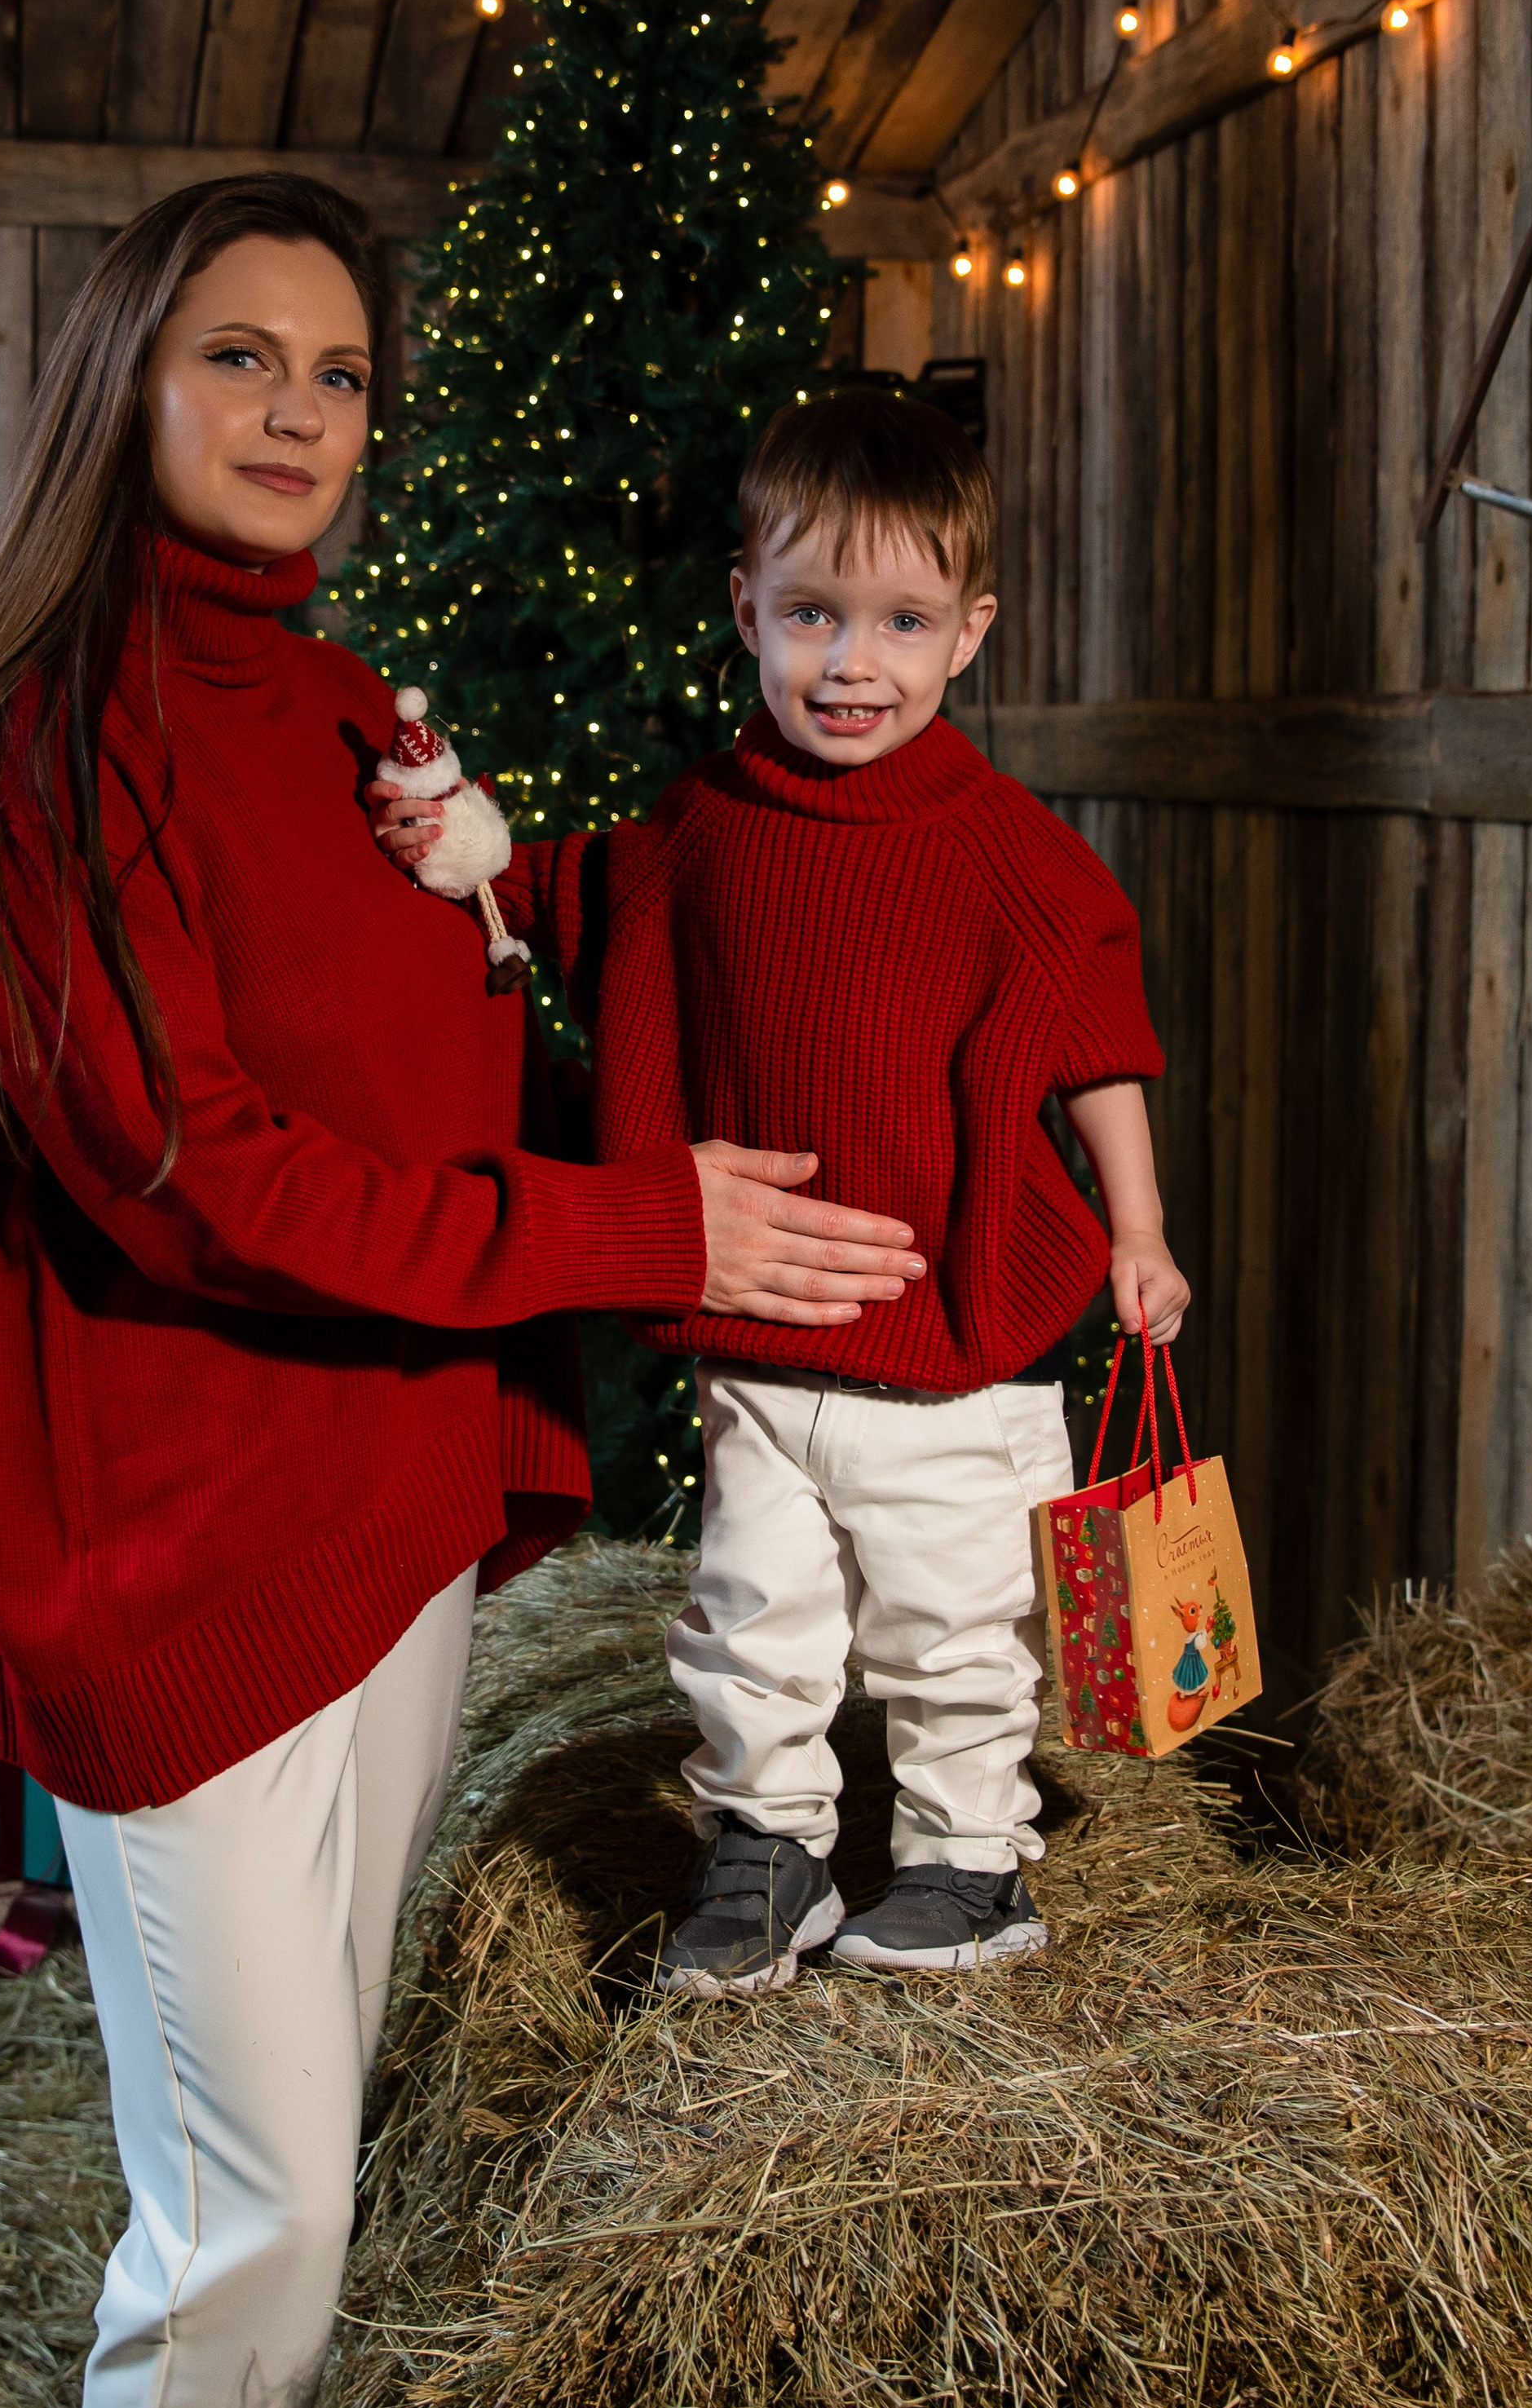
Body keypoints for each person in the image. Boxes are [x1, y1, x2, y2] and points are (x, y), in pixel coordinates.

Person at [0, 180, 924, 2408]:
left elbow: (437, 1062)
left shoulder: (350, 719)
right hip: (182, 1562)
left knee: (316, 2156)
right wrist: (648, 1224)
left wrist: (566, 899)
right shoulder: (51, 740)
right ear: (127, 371)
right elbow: (206, 1178)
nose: (300, 410)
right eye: (244, 355)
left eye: (339, 374)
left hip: (384, 1523)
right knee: (258, 2223)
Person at [372, 388, 1190, 1990]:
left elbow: (1096, 1036)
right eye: (811, 614)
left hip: (950, 1345)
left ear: (967, 634)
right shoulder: (703, 823)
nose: (849, 662)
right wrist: (472, 850)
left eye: (897, 622)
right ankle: (773, 1848)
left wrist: (1140, 1231)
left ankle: (966, 1866)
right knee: (749, 1619)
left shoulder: (1003, 846)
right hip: (764, 1342)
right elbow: (572, 895)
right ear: (746, 608)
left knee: (948, 1631)